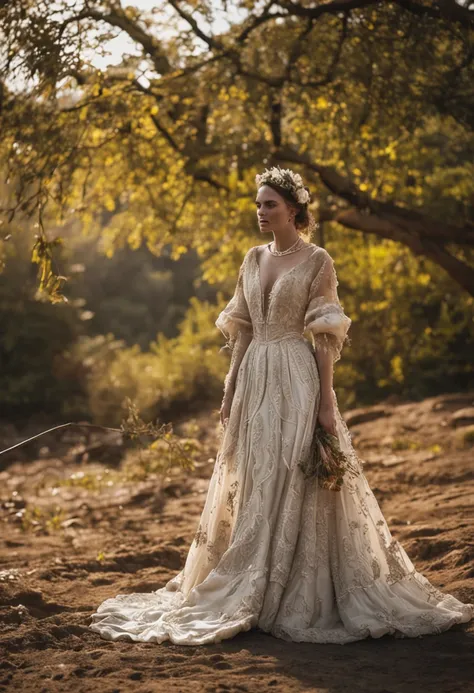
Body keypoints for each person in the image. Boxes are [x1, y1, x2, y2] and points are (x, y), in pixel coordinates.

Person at [89, 166, 473, 645]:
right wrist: (230, 390)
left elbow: (325, 337)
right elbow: (243, 331)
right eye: (257, 204)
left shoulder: (317, 261)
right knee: (254, 473)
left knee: (294, 469)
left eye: (269, 204)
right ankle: (251, 572)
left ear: (294, 209)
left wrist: (326, 400)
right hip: (254, 378)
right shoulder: (252, 259)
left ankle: (292, 586)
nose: (261, 211)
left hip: (296, 374)